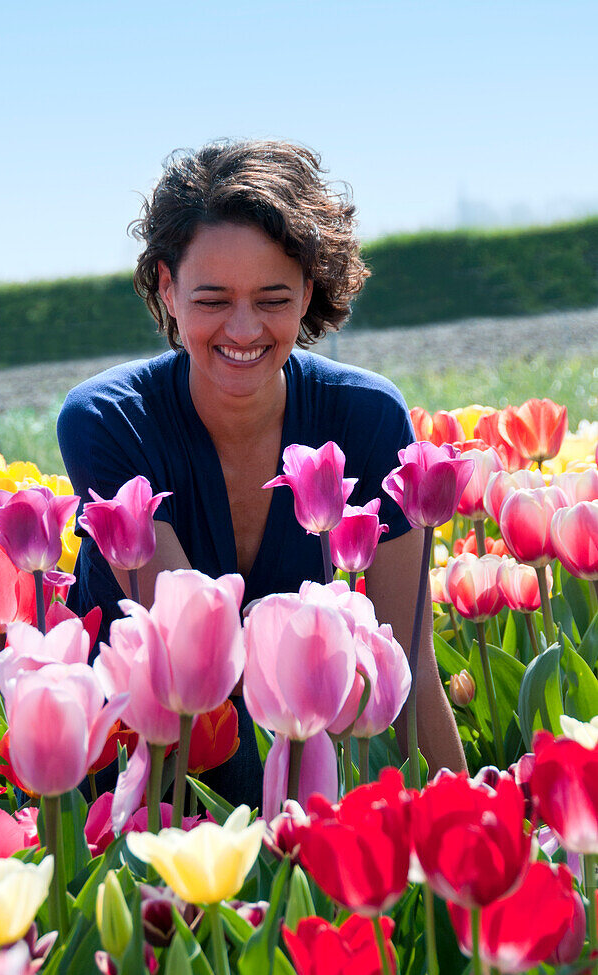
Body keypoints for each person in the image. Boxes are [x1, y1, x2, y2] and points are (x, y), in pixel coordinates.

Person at [57, 139, 467, 807]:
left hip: (304, 772)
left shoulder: (364, 418)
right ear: (167, 286)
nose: (242, 329)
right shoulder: (109, 422)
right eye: (212, 298)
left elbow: (407, 667)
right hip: (138, 773)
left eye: (272, 297)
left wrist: (469, 824)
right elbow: (196, 662)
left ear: (308, 289)